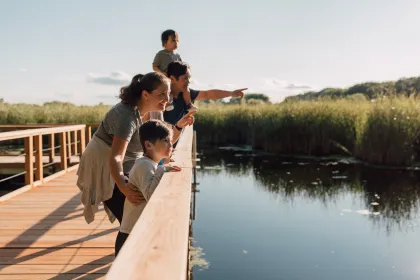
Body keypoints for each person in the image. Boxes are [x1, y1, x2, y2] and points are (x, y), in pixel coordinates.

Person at [76, 72, 194, 225]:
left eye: (168, 94)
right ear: (145, 94)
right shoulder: (127, 116)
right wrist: (124, 187)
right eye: (162, 94)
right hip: (105, 165)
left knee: (133, 216)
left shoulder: (154, 113)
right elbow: (116, 157)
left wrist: (179, 126)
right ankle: (127, 247)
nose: (167, 99)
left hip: (126, 164)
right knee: (129, 219)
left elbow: (161, 143)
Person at [115, 120, 180, 256]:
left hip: (137, 231)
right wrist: (162, 169)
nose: (171, 145)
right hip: (130, 235)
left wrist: (163, 168)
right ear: (148, 145)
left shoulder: (150, 164)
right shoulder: (145, 165)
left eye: (171, 141)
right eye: (165, 141)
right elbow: (151, 197)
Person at [163, 61, 247, 145]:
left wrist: (231, 93)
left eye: (189, 78)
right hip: (160, 148)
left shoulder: (187, 95)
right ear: (172, 79)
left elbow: (208, 94)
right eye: (185, 78)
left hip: (171, 147)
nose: (188, 82)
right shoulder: (162, 98)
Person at [152, 29, 198, 113]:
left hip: (176, 78)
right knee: (168, 90)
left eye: (177, 41)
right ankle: (169, 103)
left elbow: (182, 64)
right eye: (173, 40)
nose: (176, 43)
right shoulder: (160, 55)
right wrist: (162, 73)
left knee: (186, 89)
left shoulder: (177, 55)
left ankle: (188, 104)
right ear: (165, 43)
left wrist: (187, 68)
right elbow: (154, 67)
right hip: (166, 78)